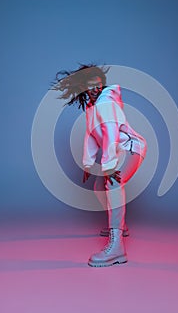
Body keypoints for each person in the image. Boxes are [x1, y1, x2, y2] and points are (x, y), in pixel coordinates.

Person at [53, 64, 147, 267]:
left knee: (113, 185)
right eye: (91, 86)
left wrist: (110, 165)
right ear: (84, 88)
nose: (96, 90)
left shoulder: (106, 103)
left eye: (99, 86)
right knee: (98, 188)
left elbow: (111, 134)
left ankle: (117, 248)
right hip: (120, 151)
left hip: (131, 148)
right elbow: (92, 137)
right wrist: (88, 165)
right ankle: (121, 226)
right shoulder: (92, 108)